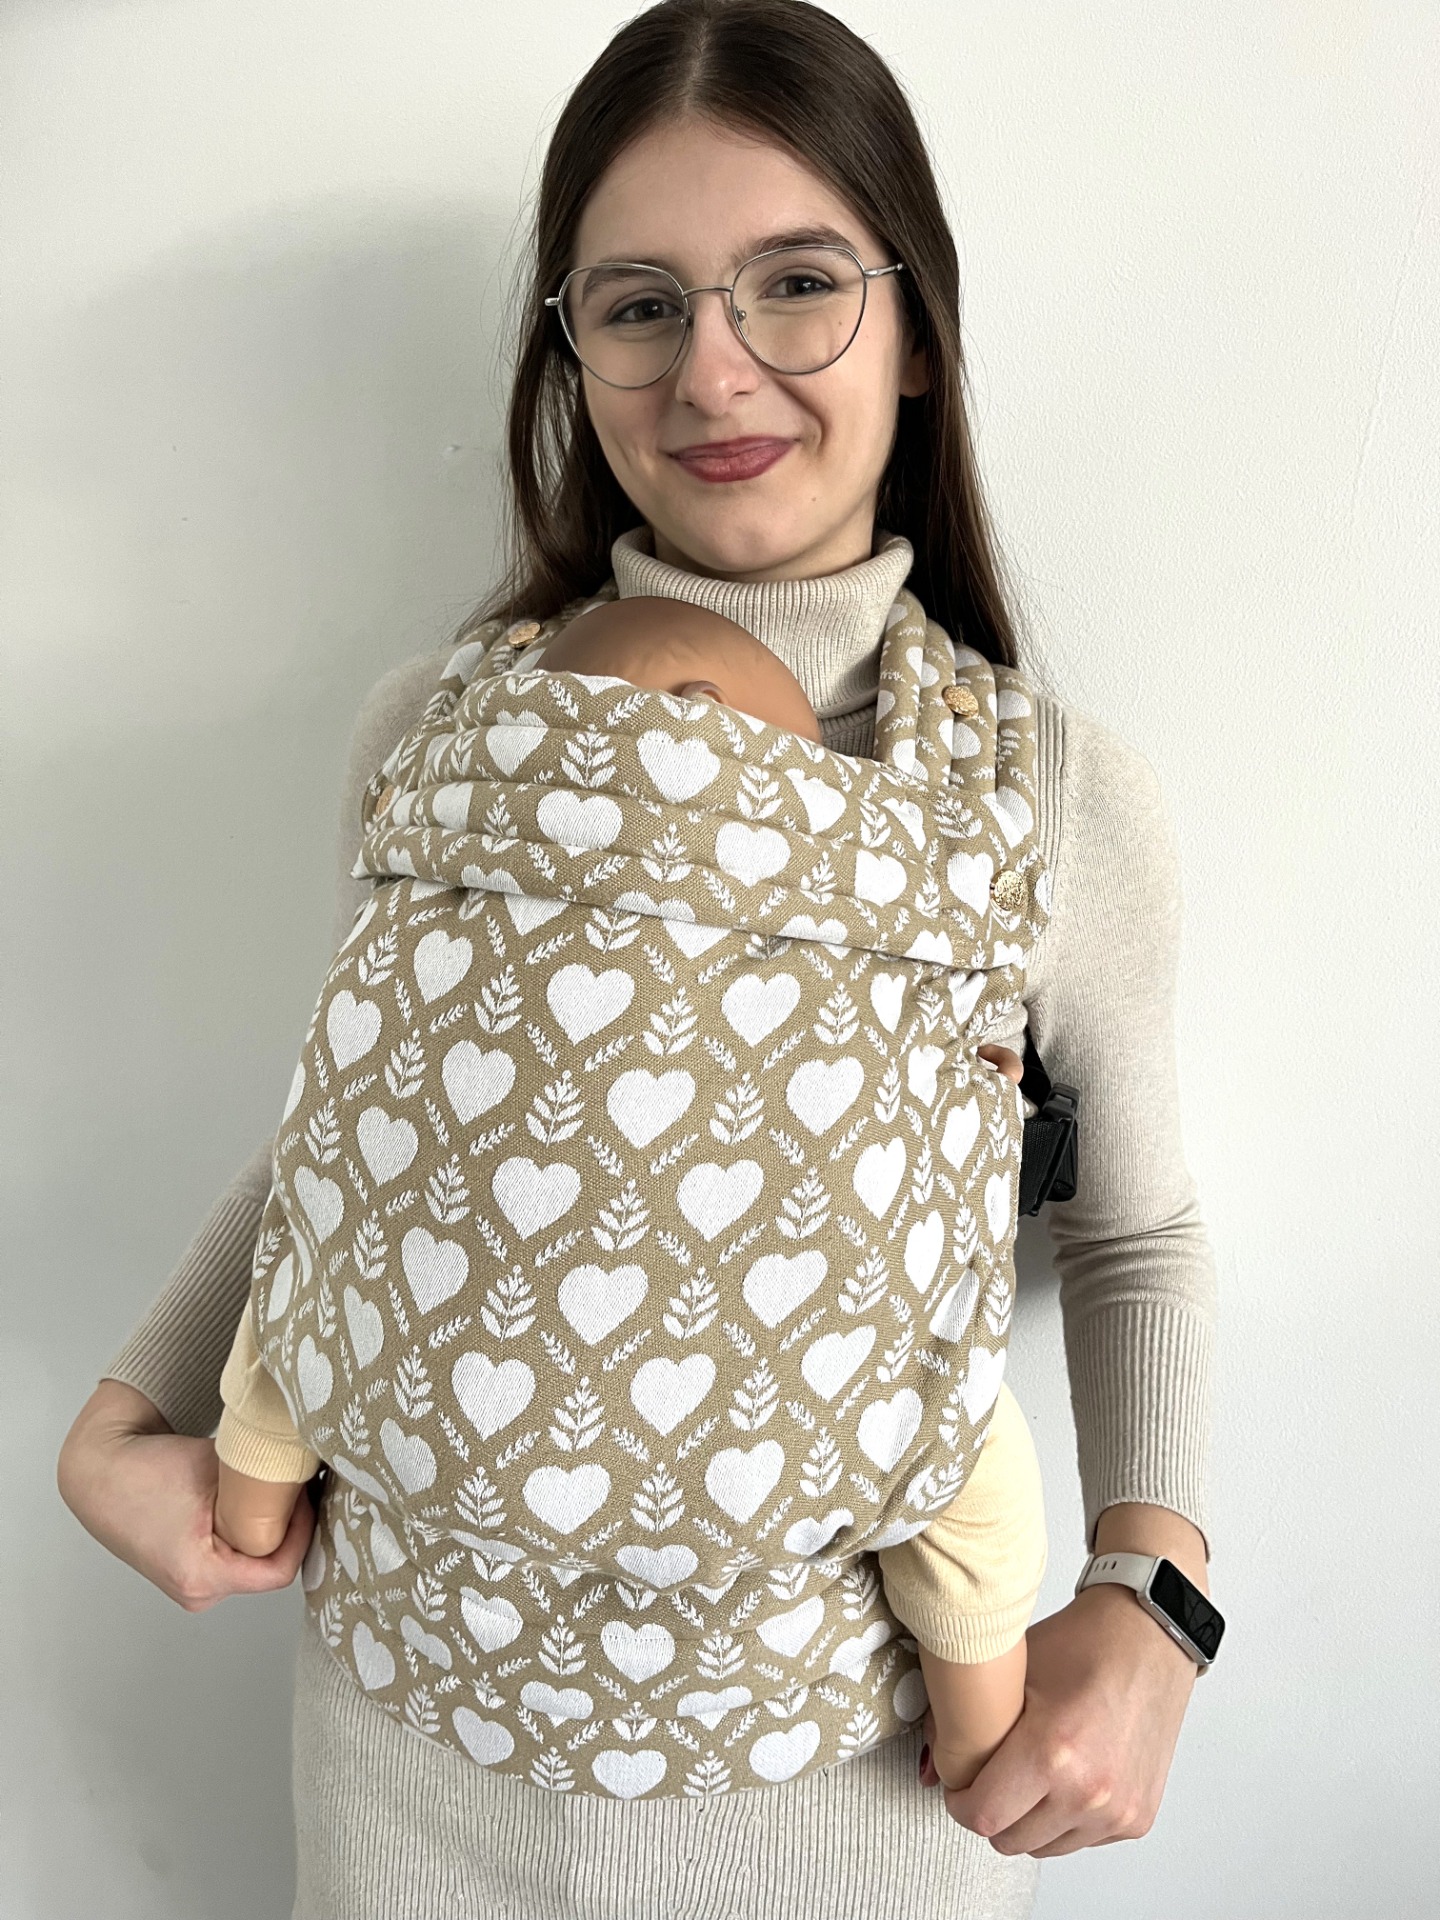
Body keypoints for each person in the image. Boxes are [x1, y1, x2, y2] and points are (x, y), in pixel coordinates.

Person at [57, 3, 1217, 1914]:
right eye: (640, 304)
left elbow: (1139, 1232)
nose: (715, 368)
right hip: (410, 1769)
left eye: (799, 284)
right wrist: (130, 1410)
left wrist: (1152, 1602)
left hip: (855, 1809)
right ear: (571, 351)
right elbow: (369, 1142)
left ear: (920, 329)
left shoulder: (1052, 802)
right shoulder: (437, 735)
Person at [210, 589, 1048, 1799]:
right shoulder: (955, 828)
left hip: (423, 1515)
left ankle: (252, 1491)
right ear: (697, 726)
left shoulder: (449, 772)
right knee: (962, 1463)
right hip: (430, 1791)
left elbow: (338, 1152)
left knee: (315, 1307)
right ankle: (978, 1736)